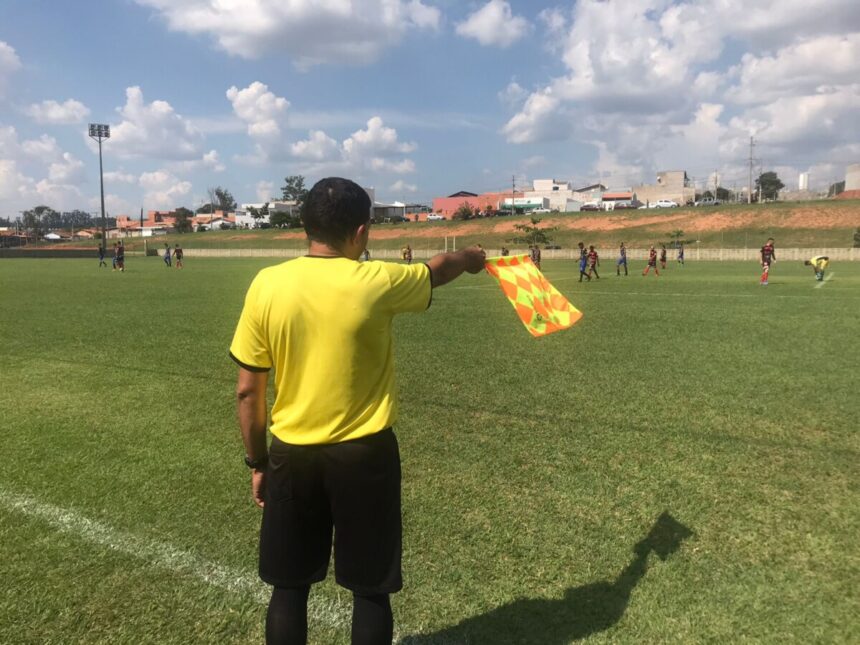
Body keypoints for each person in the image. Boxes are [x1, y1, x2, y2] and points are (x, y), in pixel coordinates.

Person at [229, 177, 486, 645]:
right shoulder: (378, 280)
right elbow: (440, 268)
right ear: (362, 232)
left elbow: (249, 391)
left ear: (304, 226)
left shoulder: (266, 284)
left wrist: (257, 462)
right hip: (366, 457)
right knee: (370, 591)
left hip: (292, 455)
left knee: (289, 588)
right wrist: (471, 258)